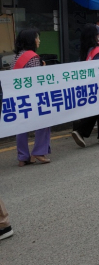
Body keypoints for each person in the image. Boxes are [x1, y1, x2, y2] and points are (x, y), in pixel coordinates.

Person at [71, 24, 99, 147]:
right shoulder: (98, 50)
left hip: (88, 84)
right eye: (97, 34)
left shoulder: (85, 50)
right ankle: (84, 131)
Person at [12, 29, 51, 166]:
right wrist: (43, 68)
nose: (39, 40)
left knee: (21, 126)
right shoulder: (33, 57)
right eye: (37, 38)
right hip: (32, 96)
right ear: (31, 40)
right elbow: (36, 78)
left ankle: (22, 157)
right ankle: (39, 152)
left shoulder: (17, 57)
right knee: (44, 121)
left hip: (19, 96)